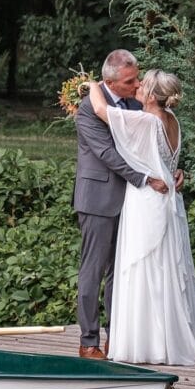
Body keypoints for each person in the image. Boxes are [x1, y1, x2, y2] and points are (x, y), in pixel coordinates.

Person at [86, 70, 195, 366]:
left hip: (147, 199)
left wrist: (92, 84)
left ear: (150, 94)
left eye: (142, 84)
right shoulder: (172, 119)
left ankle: (147, 345)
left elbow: (99, 109)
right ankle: (165, 339)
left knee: (144, 269)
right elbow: (168, 159)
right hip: (169, 195)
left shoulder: (146, 120)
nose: (137, 85)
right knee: (166, 269)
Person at [73, 49, 179, 360]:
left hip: (135, 204)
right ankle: (88, 341)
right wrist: (147, 179)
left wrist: (170, 172)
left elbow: (154, 145)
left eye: (137, 79)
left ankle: (117, 338)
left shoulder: (137, 103)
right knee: (93, 270)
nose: (136, 86)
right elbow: (108, 154)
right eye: (130, 81)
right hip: (99, 199)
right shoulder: (88, 110)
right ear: (109, 81)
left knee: (122, 273)